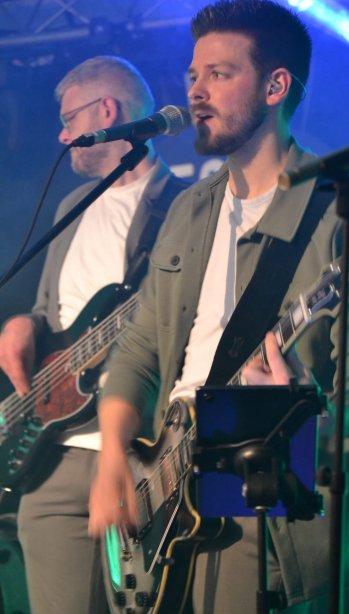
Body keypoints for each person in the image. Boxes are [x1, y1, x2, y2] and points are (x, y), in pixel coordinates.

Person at [88, 2, 349, 613]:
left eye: (219, 74)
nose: (195, 92)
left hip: (262, 509)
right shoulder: (190, 210)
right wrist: (111, 458)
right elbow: (140, 347)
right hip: (165, 492)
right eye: (193, 75)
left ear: (275, 86)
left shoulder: (346, 224)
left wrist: (305, 411)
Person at [0, 55, 187, 613]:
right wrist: (24, 323)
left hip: (139, 453)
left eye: (69, 119)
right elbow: (50, 311)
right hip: (51, 455)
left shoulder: (185, 206)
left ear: (107, 111)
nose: (62, 135)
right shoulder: (71, 206)